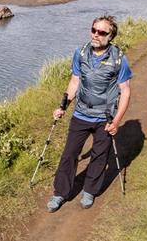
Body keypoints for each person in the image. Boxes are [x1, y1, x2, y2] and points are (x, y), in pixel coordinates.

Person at [46, 15, 132, 212]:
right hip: (81, 113)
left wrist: (116, 121)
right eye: (93, 30)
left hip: (105, 117)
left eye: (101, 32)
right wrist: (63, 106)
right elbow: (75, 81)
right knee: (69, 154)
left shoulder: (119, 59)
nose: (96, 35)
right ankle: (60, 193)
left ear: (110, 36)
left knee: (100, 155)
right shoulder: (81, 53)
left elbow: (125, 91)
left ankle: (89, 191)